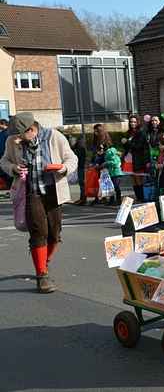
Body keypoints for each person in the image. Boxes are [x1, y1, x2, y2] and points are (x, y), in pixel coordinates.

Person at [0, 112, 78, 293]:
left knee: (54, 233)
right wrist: (13, 168)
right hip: (31, 192)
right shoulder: (12, 142)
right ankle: (42, 275)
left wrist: (63, 168)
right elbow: (4, 160)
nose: (17, 138)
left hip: (53, 191)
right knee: (38, 232)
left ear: (32, 129)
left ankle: (45, 261)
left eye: (20, 134)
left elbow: (72, 159)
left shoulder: (54, 137)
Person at [122, 115, 149, 202]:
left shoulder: (141, 132)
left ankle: (141, 197)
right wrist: (124, 143)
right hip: (129, 158)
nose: (132, 123)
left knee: (138, 178)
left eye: (134, 122)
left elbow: (139, 146)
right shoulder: (128, 132)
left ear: (138, 122)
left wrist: (128, 142)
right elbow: (127, 147)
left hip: (138, 158)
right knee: (133, 179)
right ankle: (138, 197)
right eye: (131, 122)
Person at [70, 136, 87, 205]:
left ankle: (83, 199)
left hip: (81, 167)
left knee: (82, 184)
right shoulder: (78, 148)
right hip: (80, 167)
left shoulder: (80, 149)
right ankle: (82, 198)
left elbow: (77, 157)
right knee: (81, 184)